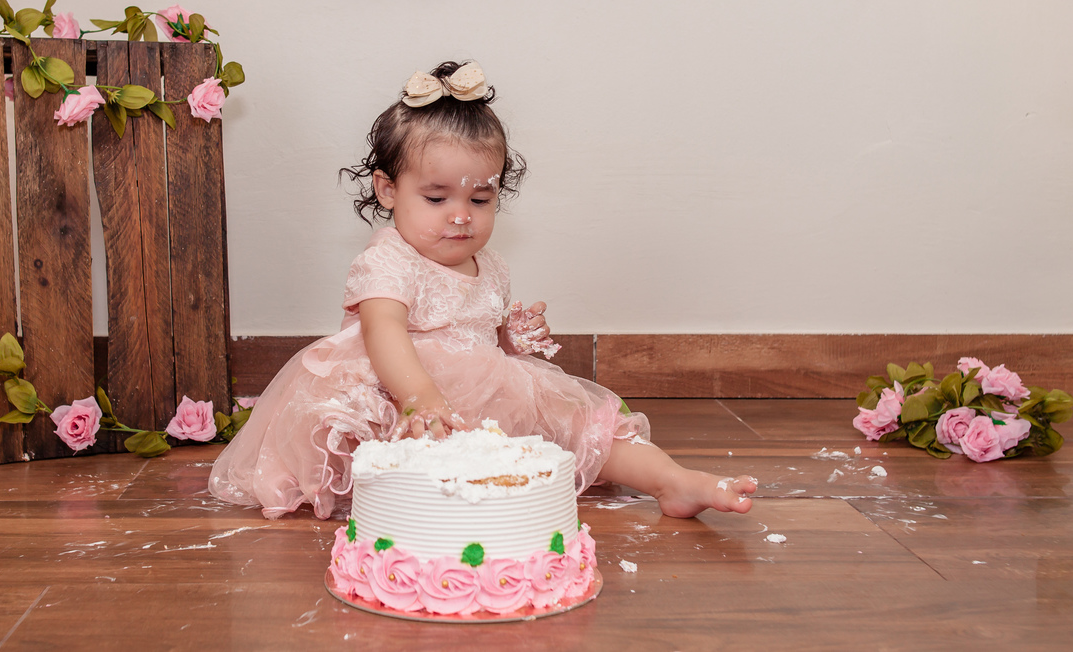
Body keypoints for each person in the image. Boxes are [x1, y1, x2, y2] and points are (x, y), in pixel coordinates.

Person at [208, 60, 757, 520]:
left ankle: (672, 480)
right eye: (437, 198)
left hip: (481, 395)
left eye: (480, 199)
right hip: (400, 390)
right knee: (417, 453)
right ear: (388, 190)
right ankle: (425, 505)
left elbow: (489, 351)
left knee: (582, 423)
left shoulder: (490, 266)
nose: (460, 216)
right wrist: (419, 396)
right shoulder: (389, 259)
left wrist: (516, 338)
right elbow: (382, 331)